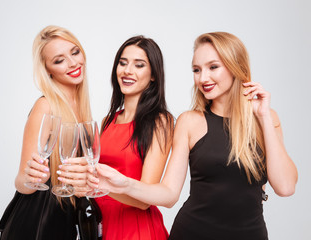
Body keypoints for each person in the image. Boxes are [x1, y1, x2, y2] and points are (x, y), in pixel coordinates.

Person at [87, 32, 298, 240]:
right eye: (196, 70)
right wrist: (122, 184)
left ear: (237, 67)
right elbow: (169, 195)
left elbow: (285, 187)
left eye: (213, 67)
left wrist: (264, 118)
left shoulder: (266, 118)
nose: (203, 78)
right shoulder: (190, 121)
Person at [61, 35, 174, 239]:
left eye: (139, 65)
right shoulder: (107, 121)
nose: (127, 70)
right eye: (123, 63)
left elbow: (144, 200)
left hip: (136, 229)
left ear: (154, 75)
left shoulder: (161, 121)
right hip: (101, 226)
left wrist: (96, 185)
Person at [0, 25, 91, 240]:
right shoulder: (45, 106)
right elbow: (21, 181)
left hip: (65, 219)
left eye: (74, 52)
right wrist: (31, 177)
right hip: (37, 221)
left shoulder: (82, 106)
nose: (73, 63)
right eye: (59, 60)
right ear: (48, 69)